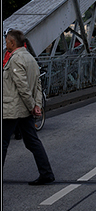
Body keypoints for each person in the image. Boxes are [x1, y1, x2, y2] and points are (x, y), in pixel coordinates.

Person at [3, 29, 55, 185]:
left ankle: (46, 173)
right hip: (25, 110)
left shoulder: (15, 60)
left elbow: (22, 87)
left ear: (13, 42)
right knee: (33, 142)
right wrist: (37, 105)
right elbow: (38, 85)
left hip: (13, 109)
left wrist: (33, 106)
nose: (5, 45)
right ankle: (46, 173)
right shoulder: (31, 59)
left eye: (6, 42)